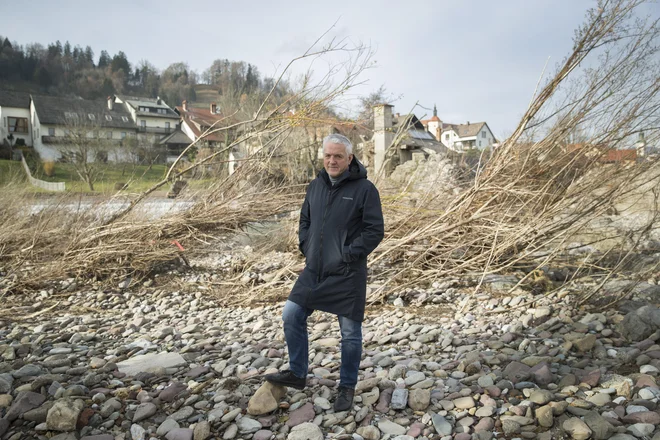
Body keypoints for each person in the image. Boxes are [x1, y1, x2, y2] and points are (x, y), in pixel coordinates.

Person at [264, 133, 384, 411]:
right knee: (291, 314)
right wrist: (305, 244)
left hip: (347, 272)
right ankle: (297, 373)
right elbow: (305, 219)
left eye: (338, 156)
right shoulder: (315, 186)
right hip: (314, 269)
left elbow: (374, 230)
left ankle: (346, 386)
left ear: (349, 158)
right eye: (328, 155)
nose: (332, 160)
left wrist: (347, 254)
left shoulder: (365, 189)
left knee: (350, 333)